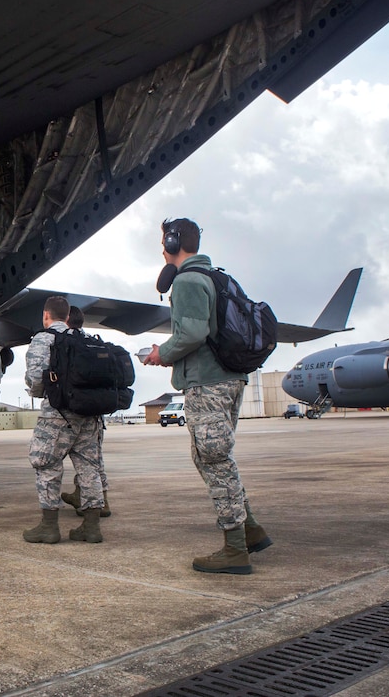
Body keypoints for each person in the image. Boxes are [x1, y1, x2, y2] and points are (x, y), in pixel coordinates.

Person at [142, 217, 272, 575]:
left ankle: (234, 549)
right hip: (230, 381)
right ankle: (251, 530)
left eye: (163, 242)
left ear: (171, 242)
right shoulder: (221, 277)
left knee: (214, 461)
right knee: (215, 458)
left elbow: (192, 333)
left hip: (206, 383)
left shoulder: (187, 281)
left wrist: (161, 354)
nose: (161, 250)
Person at [22, 296, 106, 544]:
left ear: (46, 316)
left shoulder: (43, 339)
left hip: (58, 413)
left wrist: (41, 393)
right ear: (68, 316)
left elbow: (36, 379)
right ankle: (91, 527)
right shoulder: (83, 338)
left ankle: (49, 526)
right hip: (89, 414)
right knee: (89, 468)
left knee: (46, 464)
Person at [59, 305, 111, 518]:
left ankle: (87, 501)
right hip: (96, 412)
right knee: (94, 459)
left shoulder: (63, 342)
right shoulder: (94, 341)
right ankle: (102, 502)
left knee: (59, 460)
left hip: (71, 410)